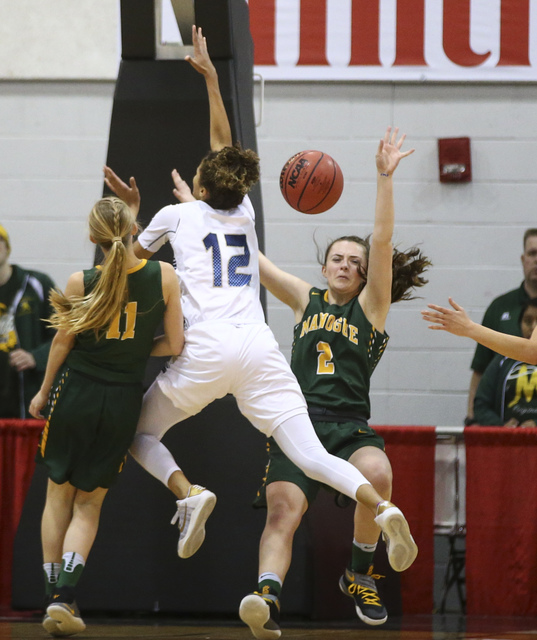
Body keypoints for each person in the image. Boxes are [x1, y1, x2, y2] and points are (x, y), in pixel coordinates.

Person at [104, 27, 419, 635]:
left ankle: (188, 493)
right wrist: (217, 86)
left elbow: (132, 261)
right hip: (260, 351)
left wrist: (135, 217)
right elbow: (224, 149)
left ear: (197, 187)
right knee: (312, 457)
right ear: (234, 190)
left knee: (137, 434)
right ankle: (380, 511)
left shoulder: (177, 213)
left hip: (208, 350)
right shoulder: (244, 213)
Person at [235, 134, 430, 635]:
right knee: (283, 511)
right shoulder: (306, 300)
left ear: (365, 276)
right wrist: (206, 216)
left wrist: (384, 178)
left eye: (354, 263)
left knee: (379, 476)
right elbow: (258, 264)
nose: (345, 265)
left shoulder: (372, 309)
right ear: (324, 268)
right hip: (297, 426)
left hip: (348, 428)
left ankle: (360, 572)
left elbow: (381, 241)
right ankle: (266, 598)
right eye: (338, 259)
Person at [29, 197, 183, 637]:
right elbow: (175, 345)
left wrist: (42, 393)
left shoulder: (81, 281)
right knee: (89, 503)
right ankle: (67, 596)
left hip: (75, 393)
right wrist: (136, 351)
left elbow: (61, 345)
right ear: (136, 229)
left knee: (58, 494)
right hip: (121, 400)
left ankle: (54, 597)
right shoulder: (166, 276)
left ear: (93, 236)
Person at [466, 228, 537, 425]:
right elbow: (480, 369)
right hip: (503, 432)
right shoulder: (500, 307)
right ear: (523, 259)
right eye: (532, 253)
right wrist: (473, 419)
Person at [0, 223, 56, 418]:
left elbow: (65, 335)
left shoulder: (37, 284)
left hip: (27, 400)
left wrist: (36, 357)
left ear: (7, 246)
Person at [473, 298, 537, 427]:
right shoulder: (502, 359)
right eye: (528, 321)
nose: (534, 327)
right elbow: (481, 404)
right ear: (520, 324)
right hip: (506, 442)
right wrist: (501, 427)